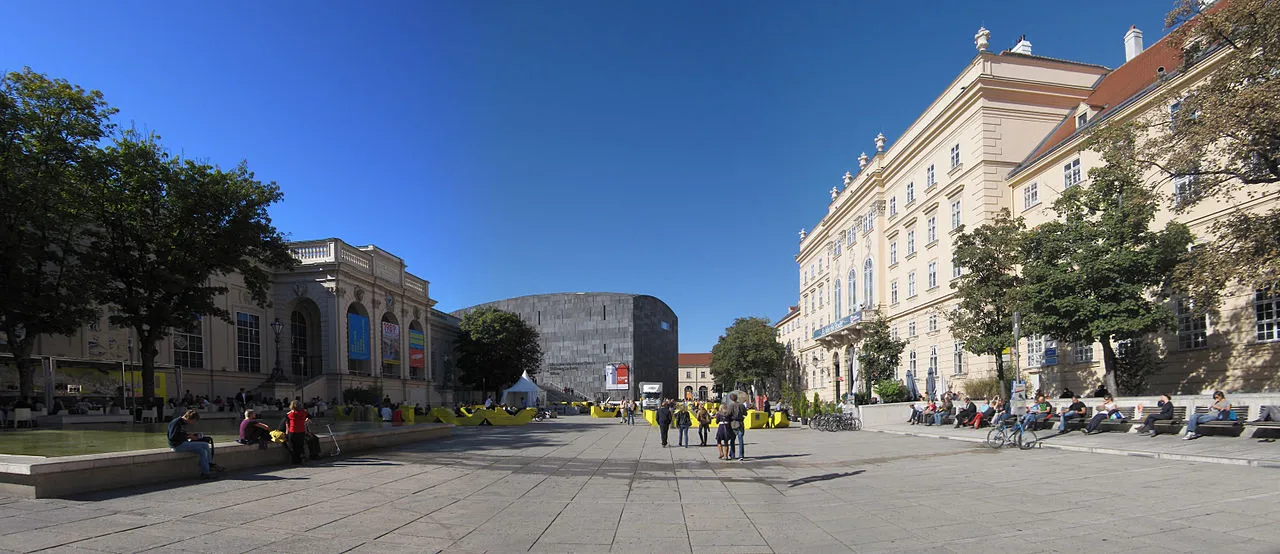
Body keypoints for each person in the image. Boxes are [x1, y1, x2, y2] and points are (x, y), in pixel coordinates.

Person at [168, 409, 223, 478]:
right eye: (194, 421)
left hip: (181, 443)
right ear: (189, 418)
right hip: (177, 445)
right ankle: (210, 465)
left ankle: (205, 472)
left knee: (202, 451)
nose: (193, 423)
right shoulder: (176, 423)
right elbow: (172, 437)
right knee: (205, 445)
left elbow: (179, 434)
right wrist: (188, 436)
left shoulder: (181, 422)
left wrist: (189, 435)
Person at [728, 393, 747, 461]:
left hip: (733, 424)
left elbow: (728, 414)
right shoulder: (741, 405)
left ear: (731, 399)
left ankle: (732, 454)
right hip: (740, 423)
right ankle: (741, 455)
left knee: (732, 440)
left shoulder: (731, 405)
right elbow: (745, 413)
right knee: (741, 440)